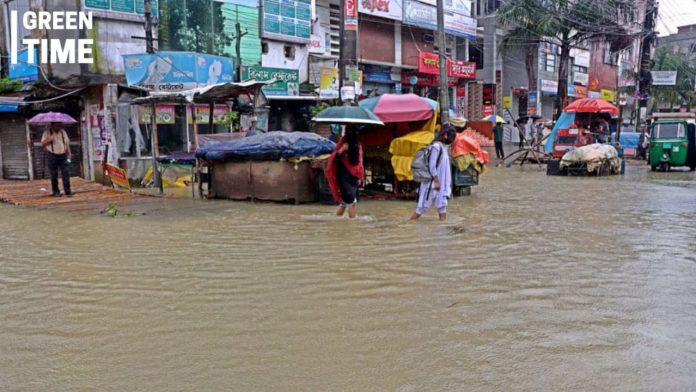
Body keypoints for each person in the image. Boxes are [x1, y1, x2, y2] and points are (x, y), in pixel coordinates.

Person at [411, 126, 455, 221]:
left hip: (441, 185)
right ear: (445, 135)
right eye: (452, 137)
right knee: (422, 208)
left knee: (442, 207)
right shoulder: (437, 147)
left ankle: (442, 231)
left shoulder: (443, 148)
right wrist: (436, 181)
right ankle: (410, 224)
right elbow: (432, 165)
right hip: (433, 184)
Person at [326, 126, 364, 219]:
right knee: (352, 201)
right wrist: (342, 150)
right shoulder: (342, 143)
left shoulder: (357, 145)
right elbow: (334, 160)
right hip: (343, 176)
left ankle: (337, 219)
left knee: (345, 202)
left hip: (353, 177)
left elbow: (359, 162)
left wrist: (360, 176)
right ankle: (353, 225)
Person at [40, 122, 72, 197]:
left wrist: (69, 154)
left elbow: (66, 143)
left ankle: (67, 191)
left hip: (63, 155)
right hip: (52, 155)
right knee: (54, 174)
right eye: (56, 126)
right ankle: (56, 191)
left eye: (59, 125)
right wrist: (48, 139)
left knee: (66, 173)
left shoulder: (63, 132)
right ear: (52, 125)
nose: (58, 127)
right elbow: (42, 144)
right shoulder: (47, 132)